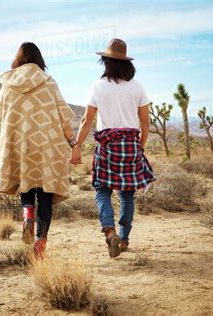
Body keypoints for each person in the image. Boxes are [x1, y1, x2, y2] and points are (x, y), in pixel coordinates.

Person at [0, 42, 81, 258]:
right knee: (46, 194)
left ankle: (27, 212)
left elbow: (1, 115)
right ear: (40, 59)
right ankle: (41, 242)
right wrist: (74, 145)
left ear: (18, 59)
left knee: (26, 187)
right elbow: (63, 119)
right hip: (47, 146)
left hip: (21, 145)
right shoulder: (49, 83)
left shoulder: (8, 84)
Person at [72, 38, 156, 258]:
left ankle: (109, 232)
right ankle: (124, 239)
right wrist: (141, 147)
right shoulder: (137, 87)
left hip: (108, 146)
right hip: (130, 146)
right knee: (127, 195)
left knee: (102, 190)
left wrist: (77, 146)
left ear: (106, 62)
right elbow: (145, 122)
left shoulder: (98, 86)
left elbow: (86, 120)